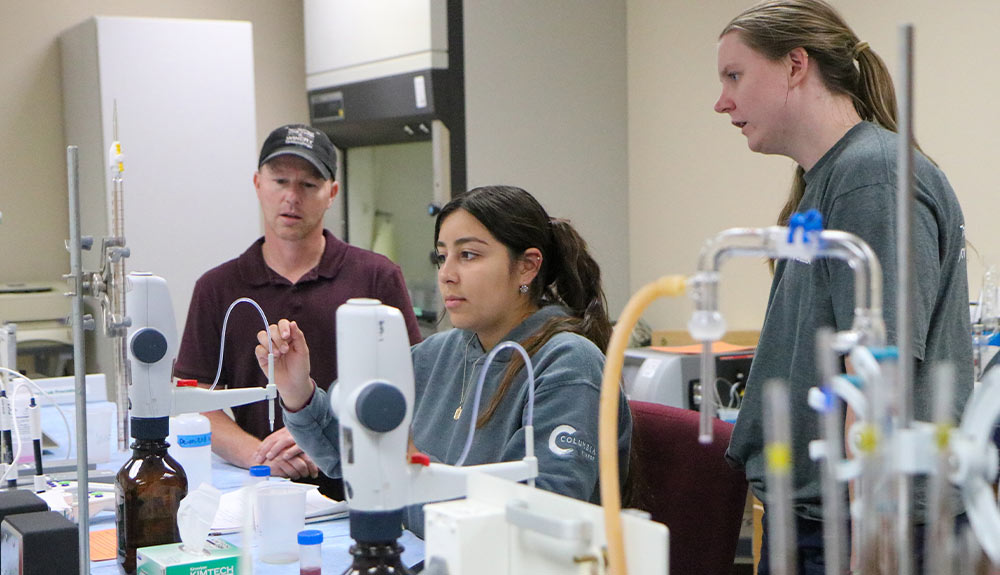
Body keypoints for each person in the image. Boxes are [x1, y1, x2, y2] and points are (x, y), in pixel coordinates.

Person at [713, 1, 972, 572]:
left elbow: (880, 378)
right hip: (822, 514)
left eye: (735, 75)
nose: (722, 100)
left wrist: (866, 551)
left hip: (870, 524)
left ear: (795, 65)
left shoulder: (871, 174)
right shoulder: (830, 177)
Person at [256, 185, 632, 537]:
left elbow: (541, 515)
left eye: (468, 255)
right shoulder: (439, 353)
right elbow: (347, 454)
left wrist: (411, 467)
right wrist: (299, 392)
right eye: (442, 257)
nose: (447, 275)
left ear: (527, 267)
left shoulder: (569, 365)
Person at [173, 124, 422, 494]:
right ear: (258, 184)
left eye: (308, 185)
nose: (292, 197)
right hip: (259, 486)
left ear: (332, 193)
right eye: (280, 181)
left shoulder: (376, 278)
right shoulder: (218, 288)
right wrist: (259, 454)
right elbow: (195, 401)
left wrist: (316, 437)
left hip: (361, 485)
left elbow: (411, 391)